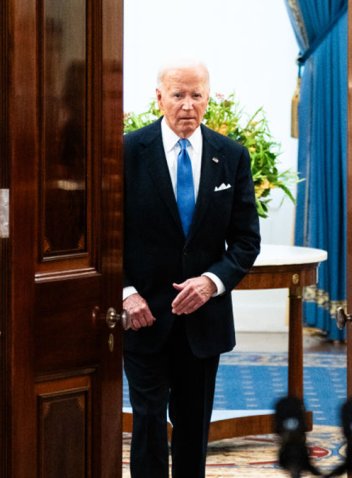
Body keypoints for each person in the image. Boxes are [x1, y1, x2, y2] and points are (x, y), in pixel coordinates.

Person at [122, 59, 261, 477]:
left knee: (193, 425)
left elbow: (245, 240)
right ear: (159, 97)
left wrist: (211, 282)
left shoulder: (230, 156)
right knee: (147, 421)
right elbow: (105, 238)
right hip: (143, 315)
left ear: (208, 98)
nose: (187, 105)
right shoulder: (127, 151)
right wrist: (126, 293)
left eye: (196, 95)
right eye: (178, 95)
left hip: (203, 317)